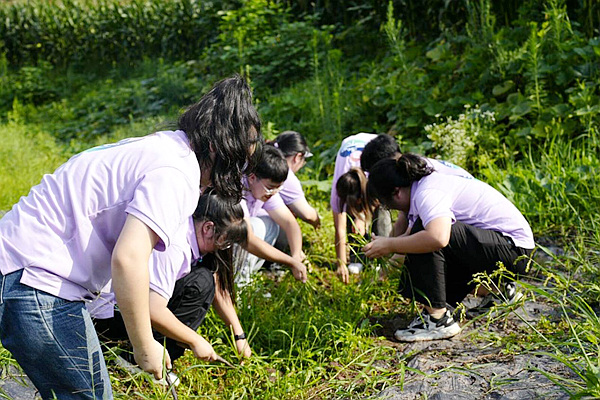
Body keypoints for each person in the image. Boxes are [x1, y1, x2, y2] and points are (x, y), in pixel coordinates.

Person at [0, 74, 261, 399]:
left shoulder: (168, 148)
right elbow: (129, 258)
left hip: (29, 265)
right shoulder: (176, 174)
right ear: (217, 147)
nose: (238, 174)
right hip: (36, 277)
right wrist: (144, 345)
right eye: (238, 162)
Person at [363, 154, 534, 342]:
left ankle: (438, 320)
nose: (392, 209)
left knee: (427, 234)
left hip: (515, 252)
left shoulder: (427, 192)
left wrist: (389, 244)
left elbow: (437, 237)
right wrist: (384, 251)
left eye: (388, 205)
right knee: (420, 236)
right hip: (502, 247)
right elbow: (408, 241)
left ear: (396, 192)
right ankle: (498, 290)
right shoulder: (421, 189)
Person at [236, 145, 307, 286]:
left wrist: (296, 255)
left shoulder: (266, 190)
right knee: (256, 227)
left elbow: (289, 223)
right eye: (270, 187)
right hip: (223, 246)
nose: (273, 193)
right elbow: (247, 239)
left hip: (241, 243)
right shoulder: (236, 191)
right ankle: (237, 284)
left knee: (271, 224)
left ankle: (246, 279)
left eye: (278, 188)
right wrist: (290, 261)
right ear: (251, 177)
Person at [269, 131, 320, 229]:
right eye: (304, 160)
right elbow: (308, 215)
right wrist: (318, 224)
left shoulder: (265, 160)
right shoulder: (286, 174)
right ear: (298, 157)